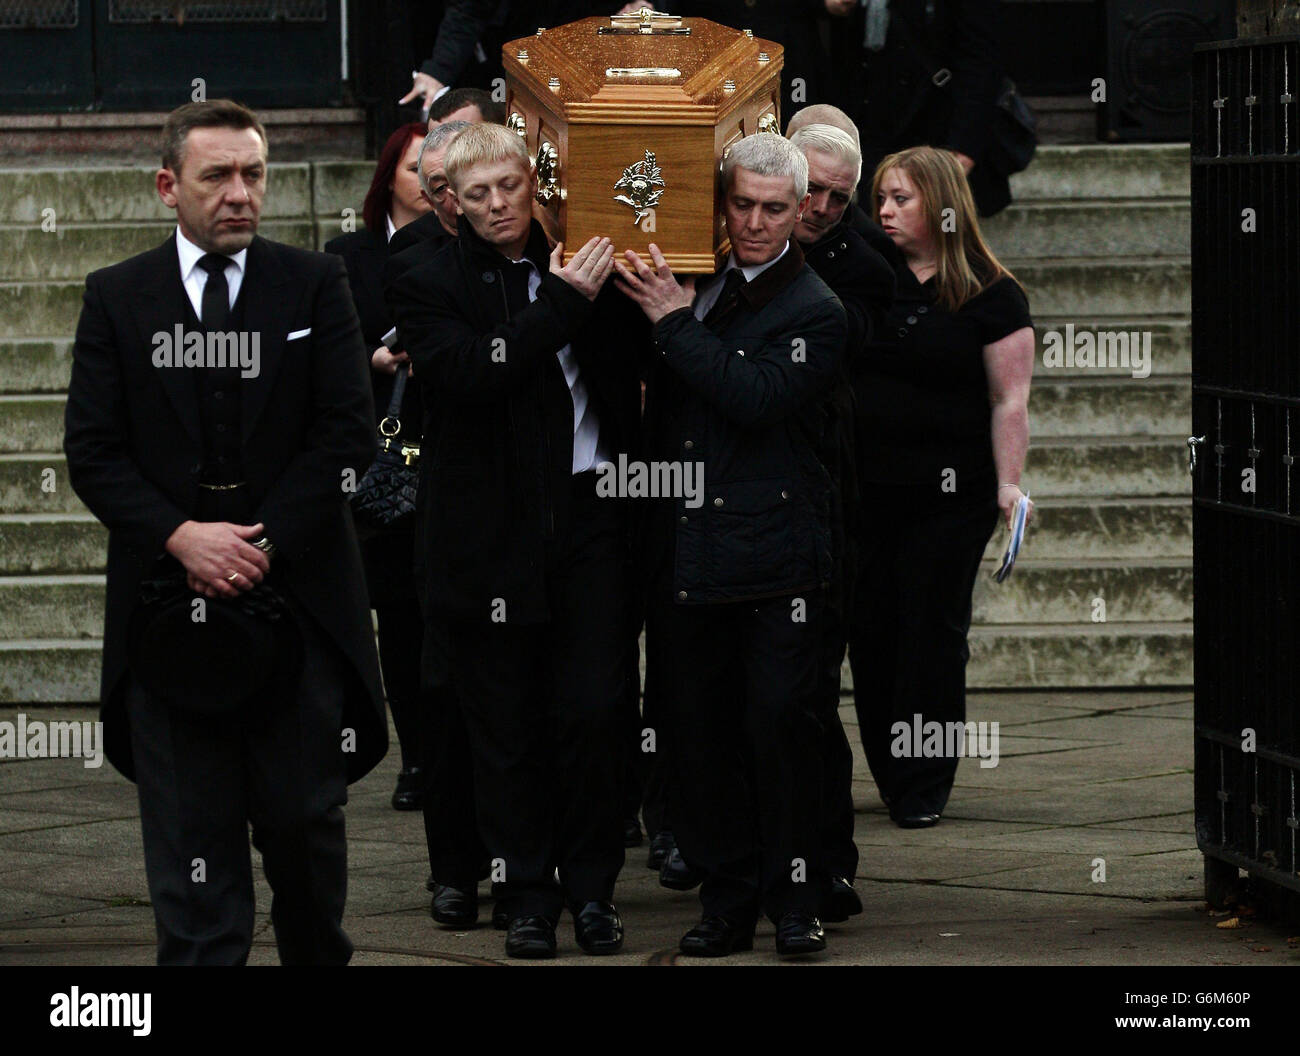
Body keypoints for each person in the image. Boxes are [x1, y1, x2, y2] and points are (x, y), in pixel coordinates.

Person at [63, 99, 386, 965]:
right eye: (218, 177)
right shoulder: (118, 297)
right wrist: (182, 537)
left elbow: (347, 436)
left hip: (301, 609)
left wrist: (258, 543)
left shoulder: (316, 285)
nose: (240, 194)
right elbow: (93, 453)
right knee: (191, 852)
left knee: (304, 828)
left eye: (253, 175)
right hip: (167, 619)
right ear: (170, 186)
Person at [388, 122, 644, 959]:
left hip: (591, 514)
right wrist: (558, 304)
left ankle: (595, 892)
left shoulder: (589, 250)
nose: (499, 205)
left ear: (533, 184)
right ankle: (527, 896)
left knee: (599, 712)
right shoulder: (423, 271)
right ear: (451, 207)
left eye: (510, 187)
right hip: (486, 529)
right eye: (478, 195)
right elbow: (468, 373)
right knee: (504, 727)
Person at [615, 133, 846, 958]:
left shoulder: (816, 307)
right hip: (687, 550)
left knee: (780, 732)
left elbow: (752, 397)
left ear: (801, 211)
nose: (753, 223)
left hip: (780, 555)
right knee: (697, 736)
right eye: (741, 204)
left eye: (773, 209)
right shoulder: (695, 279)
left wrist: (673, 323)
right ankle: (725, 903)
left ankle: (795, 902)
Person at [850, 145, 1033, 827]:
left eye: (902, 199)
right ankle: (891, 768)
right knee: (871, 633)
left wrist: (1008, 488)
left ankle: (924, 781)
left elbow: (1008, 401)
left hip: (950, 500)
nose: (886, 212)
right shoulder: (870, 280)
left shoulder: (991, 293)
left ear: (943, 205)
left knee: (930, 633)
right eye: (882, 200)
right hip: (867, 490)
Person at [788, 122, 895, 923]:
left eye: (838, 196)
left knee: (811, 703)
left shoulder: (861, 267)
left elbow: (834, 348)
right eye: (810, 190)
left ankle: (825, 865)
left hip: (823, 494)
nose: (821, 208)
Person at [325, 122, 430, 814]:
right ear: (389, 172)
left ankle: (435, 753)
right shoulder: (347, 254)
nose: (429, 180)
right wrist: (375, 357)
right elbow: (328, 344)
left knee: (427, 616)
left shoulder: (459, 248)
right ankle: (404, 753)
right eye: (417, 166)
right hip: (377, 449)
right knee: (390, 611)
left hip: (441, 440)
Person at [826, 0, 1013, 215]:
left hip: (934, 129)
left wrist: (964, 146)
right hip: (872, 128)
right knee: (877, 230)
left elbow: (982, 62)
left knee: (935, 230)